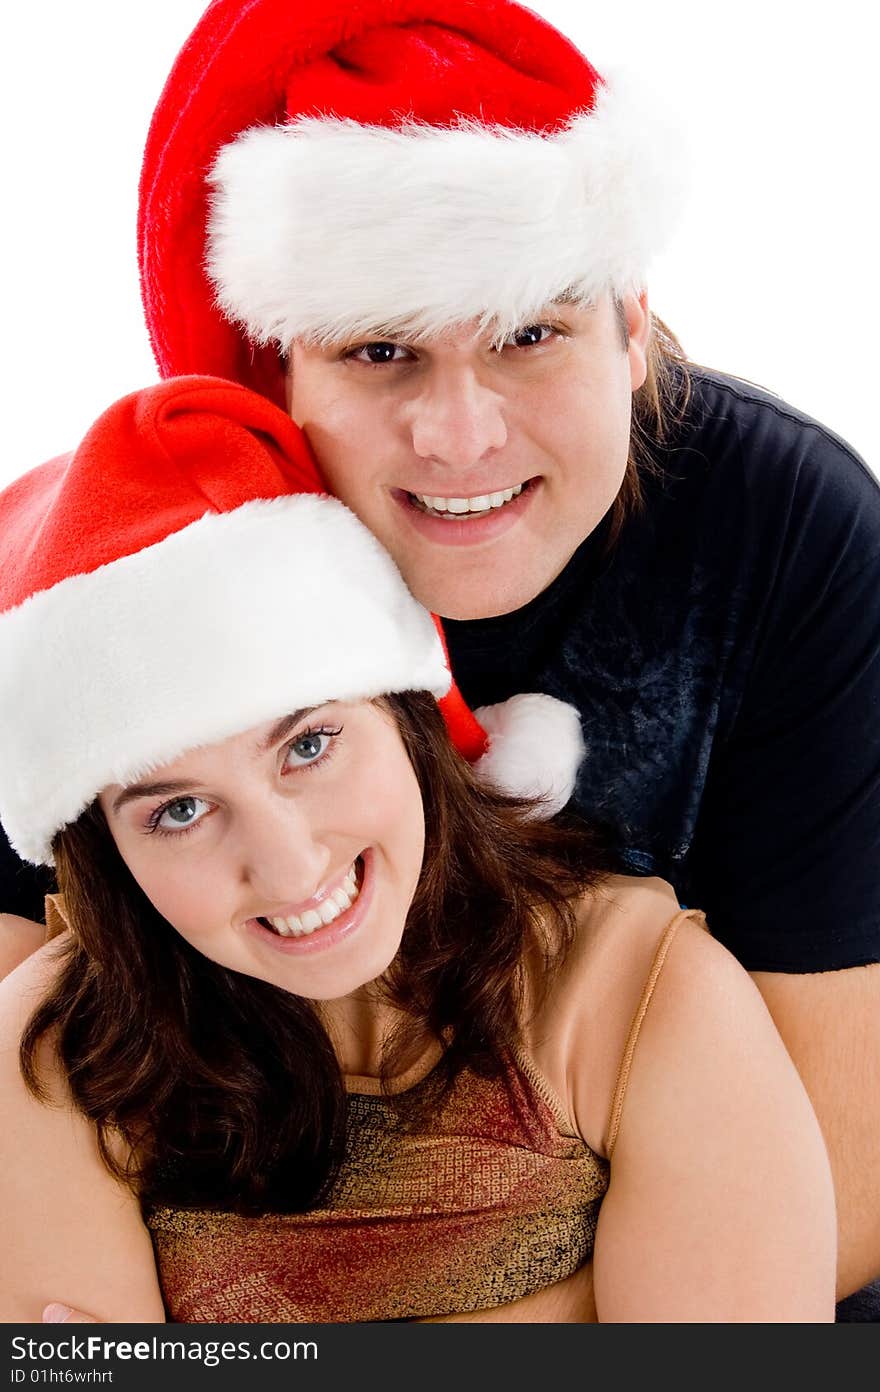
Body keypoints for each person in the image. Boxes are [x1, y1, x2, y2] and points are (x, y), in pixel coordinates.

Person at [1, 0, 878, 1313]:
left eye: (529, 332)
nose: (462, 439)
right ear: (275, 372)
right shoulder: (123, 615)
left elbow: (831, 1204)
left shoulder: (785, 536)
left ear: (632, 328)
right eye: (381, 351)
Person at [0, 377, 835, 1323]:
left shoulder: (635, 988)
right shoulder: (50, 1056)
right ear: (106, 850)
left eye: (309, 746)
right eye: (180, 810)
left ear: (406, 714)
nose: (288, 865)